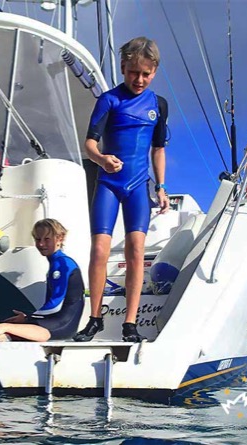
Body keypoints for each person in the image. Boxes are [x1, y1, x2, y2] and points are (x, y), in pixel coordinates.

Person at [73, 36, 170, 343]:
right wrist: (101, 158)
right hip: (109, 184)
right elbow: (89, 143)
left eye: (145, 74)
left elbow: (158, 149)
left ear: (154, 71)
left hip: (138, 186)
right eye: (132, 72)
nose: (138, 79)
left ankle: (130, 323)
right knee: (100, 250)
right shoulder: (109, 100)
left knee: (136, 252)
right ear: (123, 67)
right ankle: (95, 318)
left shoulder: (158, 105)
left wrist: (162, 186)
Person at [4, 219, 84, 340]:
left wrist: (28, 318)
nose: (41, 244)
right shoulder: (56, 262)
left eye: (47, 239)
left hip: (62, 325)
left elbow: (55, 306)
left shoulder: (62, 264)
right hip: (56, 322)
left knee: (4, 331)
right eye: (38, 239)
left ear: (60, 238)